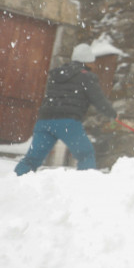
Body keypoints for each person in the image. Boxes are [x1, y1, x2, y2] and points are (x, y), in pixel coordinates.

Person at [14, 43, 117, 176]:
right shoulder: (87, 77)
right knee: (86, 154)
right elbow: (98, 100)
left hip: (45, 121)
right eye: (93, 61)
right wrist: (113, 114)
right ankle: (84, 186)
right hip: (68, 122)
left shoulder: (57, 74)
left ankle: (15, 181)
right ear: (87, 61)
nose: (95, 65)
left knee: (32, 159)